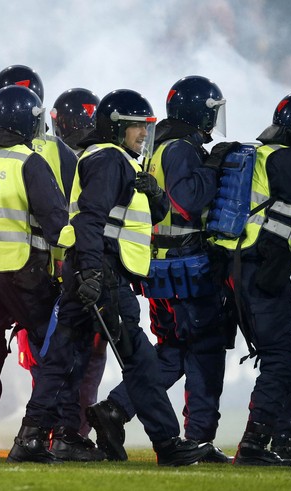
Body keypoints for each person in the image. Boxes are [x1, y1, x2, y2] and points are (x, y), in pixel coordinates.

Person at [54, 89, 214, 466]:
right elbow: (92, 222)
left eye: (146, 126)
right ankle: (168, 444)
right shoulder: (110, 160)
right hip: (103, 271)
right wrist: (93, 271)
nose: (144, 134)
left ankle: (55, 435)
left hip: (91, 269)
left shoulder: (119, 160)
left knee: (66, 357)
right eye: (137, 127)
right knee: (140, 360)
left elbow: (143, 215)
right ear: (116, 128)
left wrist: (155, 193)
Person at [85, 76, 233, 463]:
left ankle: (115, 410)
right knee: (204, 352)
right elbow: (186, 199)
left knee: (171, 353)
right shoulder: (182, 148)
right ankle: (198, 437)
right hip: (188, 268)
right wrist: (214, 168)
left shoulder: (155, 146)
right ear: (199, 110)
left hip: (159, 268)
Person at [0, 65, 83, 458]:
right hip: (25, 271)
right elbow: (58, 222)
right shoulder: (30, 159)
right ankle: (42, 435)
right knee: (52, 349)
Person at [214, 92, 291, 466]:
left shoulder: (264, 154)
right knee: (281, 357)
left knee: (285, 352)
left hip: (244, 268)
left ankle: (282, 438)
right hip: (261, 270)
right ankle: (255, 442)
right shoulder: (290, 158)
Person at [50, 87, 106, 440]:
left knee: (54, 356)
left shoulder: (44, 153)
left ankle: (53, 428)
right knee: (87, 357)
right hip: (86, 268)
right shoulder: (102, 157)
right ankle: (74, 431)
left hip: (48, 267)